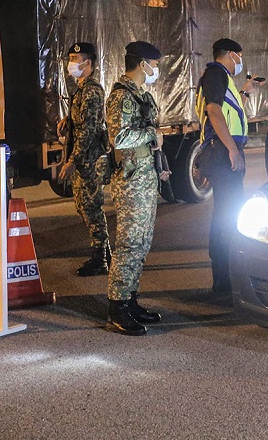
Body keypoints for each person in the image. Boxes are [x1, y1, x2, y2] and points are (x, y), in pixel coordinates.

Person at [103, 41, 169, 336]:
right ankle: (116, 309)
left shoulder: (141, 94)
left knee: (141, 245)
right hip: (130, 183)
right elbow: (119, 138)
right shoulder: (121, 97)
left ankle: (130, 301)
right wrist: (151, 134)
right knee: (128, 245)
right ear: (143, 64)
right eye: (154, 64)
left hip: (144, 178)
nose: (156, 69)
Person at [195, 38, 259, 297]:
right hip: (222, 154)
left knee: (228, 216)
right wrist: (232, 149)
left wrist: (244, 93)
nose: (240, 61)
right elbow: (214, 112)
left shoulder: (222, 78)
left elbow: (228, 111)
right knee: (227, 218)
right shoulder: (215, 74)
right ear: (232, 54)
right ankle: (223, 282)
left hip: (221, 152)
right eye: (239, 56)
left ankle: (226, 279)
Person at [57, 42, 112, 277]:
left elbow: (89, 129)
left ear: (87, 63)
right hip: (83, 158)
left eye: (74, 58)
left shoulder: (92, 90)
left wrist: (73, 161)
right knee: (84, 206)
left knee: (91, 208)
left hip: (89, 159)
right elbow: (81, 120)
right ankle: (104, 253)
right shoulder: (81, 88)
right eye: (70, 57)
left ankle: (100, 258)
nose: (71, 63)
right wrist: (67, 121)